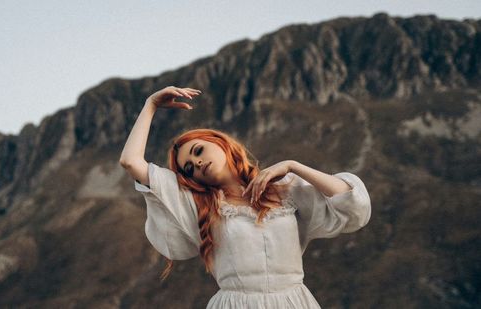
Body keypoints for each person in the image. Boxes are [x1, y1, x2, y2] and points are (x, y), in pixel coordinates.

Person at [119, 86, 372, 308]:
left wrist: (293, 166)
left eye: (198, 151)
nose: (196, 162)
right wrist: (150, 104)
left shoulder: (285, 187)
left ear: (221, 143)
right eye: (189, 168)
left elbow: (351, 203)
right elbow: (130, 162)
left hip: (294, 302)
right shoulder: (199, 204)